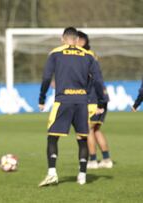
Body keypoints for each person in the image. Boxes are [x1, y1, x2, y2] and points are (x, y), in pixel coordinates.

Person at [38, 27, 105, 187]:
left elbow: (47, 77)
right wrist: (101, 102)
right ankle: (82, 175)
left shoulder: (55, 53)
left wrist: (42, 97)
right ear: (76, 39)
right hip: (82, 102)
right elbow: (97, 80)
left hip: (63, 100)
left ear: (63, 38)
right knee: (82, 138)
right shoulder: (88, 55)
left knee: (52, 137)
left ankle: (52, 173)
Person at [77, 31, 113, 169]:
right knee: (96, 129)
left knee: (88, 129)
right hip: (101, 97)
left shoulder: (86, 56)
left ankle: (92, 160)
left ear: (82, 41)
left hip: (93, 99)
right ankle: (106, 159)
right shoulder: (92, 55)